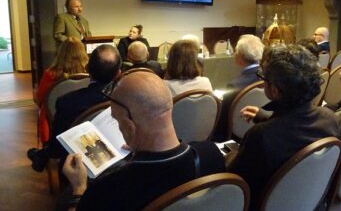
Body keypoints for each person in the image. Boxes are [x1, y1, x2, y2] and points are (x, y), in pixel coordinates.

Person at [62, 71, 225, 210]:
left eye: (117, 121)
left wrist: (78, 189)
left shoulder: (109, 188)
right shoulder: (211, 155)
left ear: (129, 125)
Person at [227, 44, 339, 208]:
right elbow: (292, 133)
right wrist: (265, 118)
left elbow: (236, 183)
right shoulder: (329, 118)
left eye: (263, 77)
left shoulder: (260, 136)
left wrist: (230, 156)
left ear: (274, 90)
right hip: (309, 202)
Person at [27, 44, 122, 172]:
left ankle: (41, 155)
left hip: (76, 165)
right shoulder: (127, 99)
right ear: (118, 73)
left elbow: (58, 147)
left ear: (87, 69)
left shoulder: (67, 101)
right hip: (120, 162)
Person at [35, 37, 88, 143]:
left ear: (61, 52)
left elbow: (39, 99)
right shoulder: (91, 73)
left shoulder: (50, 74)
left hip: (55, 122)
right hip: (84, 119)